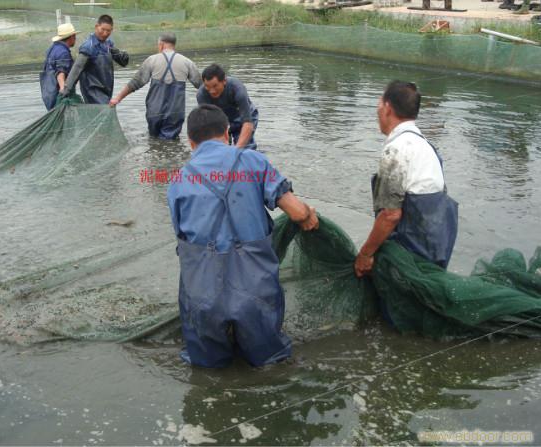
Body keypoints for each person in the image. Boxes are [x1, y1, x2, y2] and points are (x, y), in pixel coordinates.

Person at [167, 104, 319, 368]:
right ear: (228, 133)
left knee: (206, 367)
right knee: (269, 363)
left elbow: (182, 237)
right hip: (255, 288)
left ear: (191, 142)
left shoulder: (179, 180)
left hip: (201, 293)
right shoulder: (253, 161)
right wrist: (309, 214)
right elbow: (295, 212)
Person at [355, 81, 458, 279]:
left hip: (414, 247)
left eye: (378, 104)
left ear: (387, 108)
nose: (377, 110)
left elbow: (390, 215)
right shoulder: (424, 144)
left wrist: (365, 254)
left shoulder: (397, 150)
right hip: (439, 243)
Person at [109, 32, 202, 140]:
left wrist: (117, 98)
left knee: (154, 141)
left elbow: (135, 83)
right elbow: (201, 86)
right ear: (173, 44)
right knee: (170, 142)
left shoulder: (151, 60)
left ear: (161, 44)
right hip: (175, 113)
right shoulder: (187, 63)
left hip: (154, 112)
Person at [60, 14, 129, 104]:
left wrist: (123, 56)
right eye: (103, 29)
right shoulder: (88, 47)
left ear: (111, 30)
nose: (105, 33)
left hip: (106, 90)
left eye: (108, 31)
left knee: (104, 114)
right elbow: (76, 69)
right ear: (96, 27)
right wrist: (66, 90)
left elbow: (123, 62)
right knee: (104, 114)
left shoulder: (108, 44)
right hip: (92, 92)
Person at [196, 64, 259, 150]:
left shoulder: (237, 89)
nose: (212, 91)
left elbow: (248, 123)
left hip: (246, 117)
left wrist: (236, 151)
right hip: (224, 120)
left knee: (245, 149)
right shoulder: (202, 95)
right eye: (207, 87)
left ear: (224, 81)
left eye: (215, 86)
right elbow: (209, 125)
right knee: (220, 148)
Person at [39, 23, 78, 111]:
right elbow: (61, 72)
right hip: (58, 95)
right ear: (72, 36)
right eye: (75, 36)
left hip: (48, 93)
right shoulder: (63, 52)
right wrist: (62, 88)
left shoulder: (52, 48)